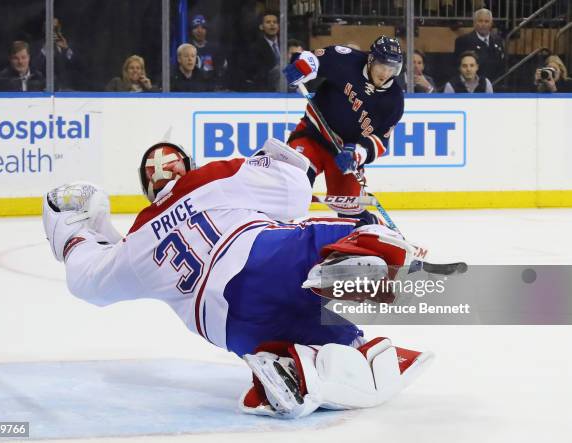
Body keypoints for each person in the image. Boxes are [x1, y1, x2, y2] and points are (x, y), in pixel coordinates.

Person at [42, 137, 431, 419]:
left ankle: (288, 367)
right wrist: (292, 164)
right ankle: (361, 254)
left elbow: (88, 283)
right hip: (265, 265)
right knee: (337, 237)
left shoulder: (135, 246)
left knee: (340, 343)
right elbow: (294, 189)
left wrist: (77, 233)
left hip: (232, 327)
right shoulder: (213, 176)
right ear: (188, 168)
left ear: (148, 190)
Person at [283, 36, 405, 222]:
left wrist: (357, 154)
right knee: (293, 183)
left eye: (392, 68)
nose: (386, 73)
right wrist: (301, 68)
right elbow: (312, 60)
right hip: (312, 136)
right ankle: (277, 228)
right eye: (382, 65)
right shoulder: (347, 59)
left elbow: (380, 140)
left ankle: (371, 226)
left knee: (351, 213)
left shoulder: (394, 99)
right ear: (371, 59)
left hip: (345, 154)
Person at [453, 8, 504, 82]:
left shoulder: (498, 40)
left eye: (486, 21)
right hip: (474, 86)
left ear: (491, 23)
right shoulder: (463, 41)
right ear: (474, 23)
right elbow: (457, 66)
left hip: (496, 85)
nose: (483, 24)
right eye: (480, 21)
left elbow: (502, 63)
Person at [31, 17, 83, 91]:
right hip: (45, 88)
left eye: (55, 28)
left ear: (59, 28)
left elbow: (79, 66)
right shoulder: (37, 46)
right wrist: (44, 50)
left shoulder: (68, 44)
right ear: (44, 29)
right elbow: (34, 67)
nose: (53, 31)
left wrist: (67, 49)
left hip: (67, 88)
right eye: (50, 28)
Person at [189, 14, 227, 90]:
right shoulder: (187, 49)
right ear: (191, 30)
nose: (199, 30)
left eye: (203, 27)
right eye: (196, 27)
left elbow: (220, 72)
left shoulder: (215, 49)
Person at [247, 11, 281, 91]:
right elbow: (255, 73)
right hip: (266, 90)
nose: (272, 24)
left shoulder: (285, 44)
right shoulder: (255, 48)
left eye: (275, 22)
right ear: (261, 26)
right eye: (268, 22)